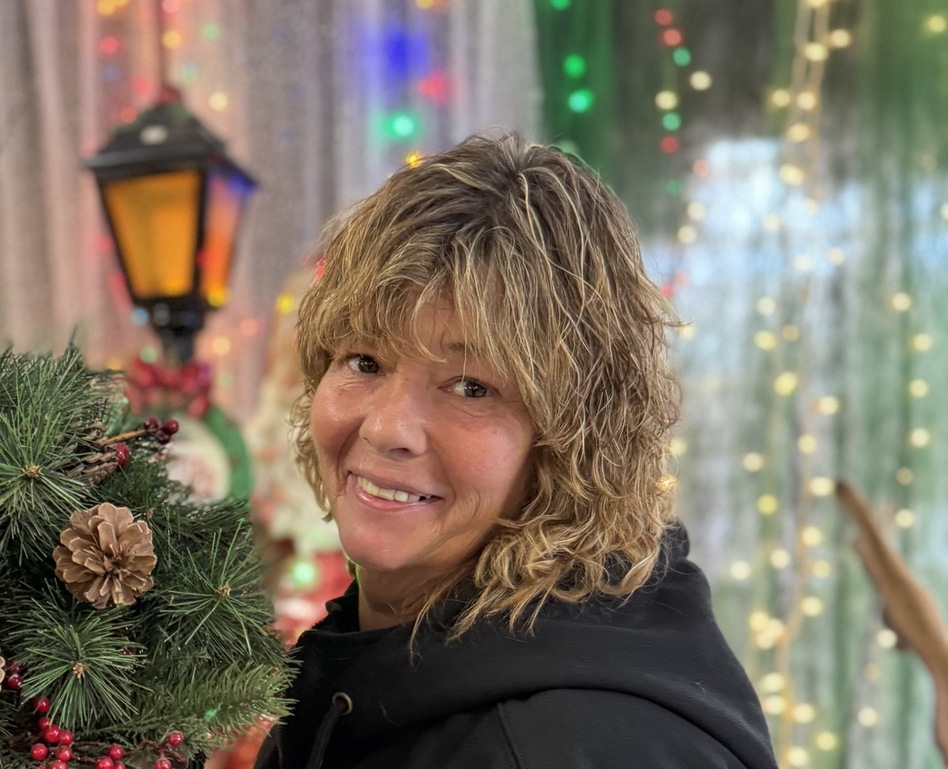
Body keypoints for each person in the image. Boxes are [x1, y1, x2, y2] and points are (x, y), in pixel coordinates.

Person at [253, 134, 777, 769]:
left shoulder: (555, 745)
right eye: (364, 360)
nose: (387, 427)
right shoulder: (379, 660)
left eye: (471, 387)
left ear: (575, 436)